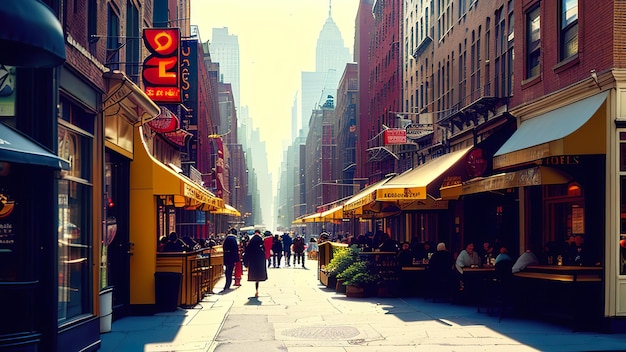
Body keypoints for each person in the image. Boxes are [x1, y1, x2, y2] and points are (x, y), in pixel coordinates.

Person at [243, 229, 268, 297]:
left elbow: (247, 251)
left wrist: (245, 262)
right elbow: (264, 250)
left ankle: (256, 289)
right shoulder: (261, 240)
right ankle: (257, 290)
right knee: (259, 275)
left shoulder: (251, 240)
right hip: (260, 260)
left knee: (254, 274)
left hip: (253, 260)